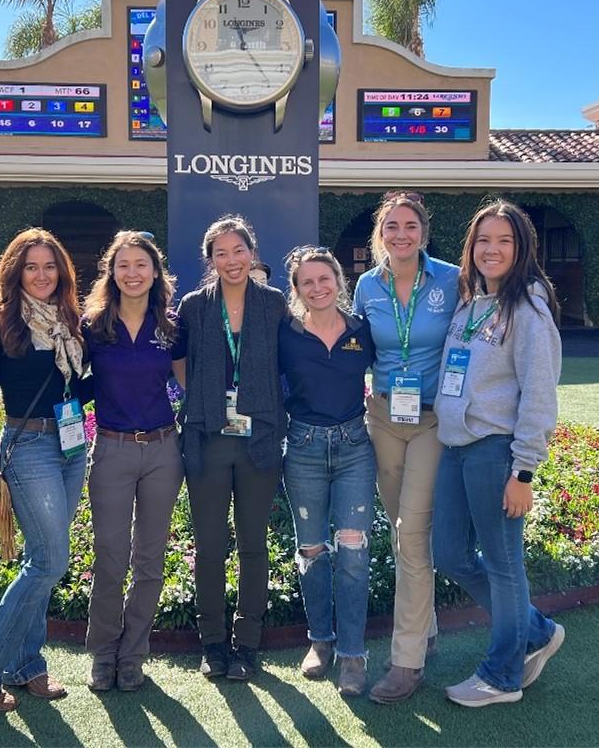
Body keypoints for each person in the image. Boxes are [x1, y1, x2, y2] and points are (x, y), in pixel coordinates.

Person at [0, 228, 89, 712]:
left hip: (72, 446)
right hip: (27, 448)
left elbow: (68, 394)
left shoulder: (70, 323)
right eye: (32, 266)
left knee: (41, 562)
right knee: (49, 563)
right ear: (15, 272)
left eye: (50, 266)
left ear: (62, 272)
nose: (42, 275)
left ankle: (27, 665)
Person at [432, 198, 564, 707]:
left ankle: (502, 676)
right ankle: (535, 630)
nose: (492, 249)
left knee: (504, 564)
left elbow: (539, 393)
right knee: (450, 555)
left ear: (521, 248)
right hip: (454, 449)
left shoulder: (527, 309)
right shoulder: (470, 303)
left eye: (504, 240)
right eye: (483, 240)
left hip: (494, 452)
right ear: (471, 249)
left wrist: (523, 471)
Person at [352, 190, 459, 704]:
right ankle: (429, 625)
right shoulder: (367, 286)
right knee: (402, 533)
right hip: (384, 417)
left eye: (410, 225)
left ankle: (406, 661)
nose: (401, 234)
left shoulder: (452, 279)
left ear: (423, 231)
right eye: (391, 226)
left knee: (412, 533)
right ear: (381, 233)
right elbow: (357, 349)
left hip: (435, 419)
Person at [177, 215, 287, 682]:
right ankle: (213, 643)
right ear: (210, 260)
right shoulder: (195, 306)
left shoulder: (274, 304)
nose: (230, 260)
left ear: (252, 252)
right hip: (208, 439)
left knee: (253, 544)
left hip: (259, 440)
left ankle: (248, 642)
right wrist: (202, 402)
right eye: (220, 253)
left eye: (238, 250)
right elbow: (180, 360)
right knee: (209, 545)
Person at [81, 231, 187, 693]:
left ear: (155, 271)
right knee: (110, 555)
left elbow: (186, 384)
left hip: (164, 450)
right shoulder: (93, 326)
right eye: (123, 265)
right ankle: (104, 654)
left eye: (141, 264)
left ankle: (133, 655)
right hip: (112, 449)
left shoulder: (171, 326)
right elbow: (68, 380)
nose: (132, 273)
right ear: (111, 272)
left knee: (150, 558)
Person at [279, 247, 377, 697]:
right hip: (303, 448)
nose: (318, 288)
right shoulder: (287, 333)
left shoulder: (362, 329)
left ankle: (353, 654)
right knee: (313, 551)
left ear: (339, 280)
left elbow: (392, 371)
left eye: (325, 278)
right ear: (296, 290)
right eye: (307, 282)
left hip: (356, 447)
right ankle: (321, 641)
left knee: (354, 552)